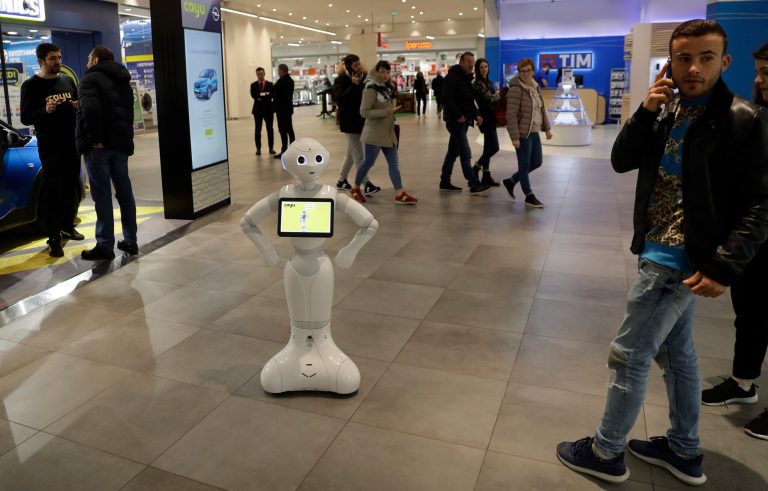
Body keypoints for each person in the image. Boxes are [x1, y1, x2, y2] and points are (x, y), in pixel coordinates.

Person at [557, 20, 768, 486]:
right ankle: (684, 449)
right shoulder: (667, 109)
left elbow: (760, 203)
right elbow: (620, 160)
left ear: (724, 61)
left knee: (628, 356)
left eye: (706, 58)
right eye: (684, 58)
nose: (693, 68)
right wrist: (643, 113)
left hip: (679, 262)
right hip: (654, 249)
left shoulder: (743, 118)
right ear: (669, 62)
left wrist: (724, 265)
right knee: (678, 357)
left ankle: (605, 451)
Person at [700, 42, 768, 442]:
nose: (759, 80)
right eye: (759, 71)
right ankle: (743, 381)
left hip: (757, 229)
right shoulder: (757, 117)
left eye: (766, 73)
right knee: (751, 309)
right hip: (753, 239)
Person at [20, 43, 84, 257]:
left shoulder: (66, 81)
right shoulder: (31, 86)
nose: (58, 61)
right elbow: (26, 117)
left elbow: (76, 103)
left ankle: (67, 226)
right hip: (50, 147)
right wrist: (44, 111)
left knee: (69, 190)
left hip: (71, 144)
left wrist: (76, 106)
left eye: (59, 57)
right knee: (53, 193)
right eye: (52, 59)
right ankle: (53, 238)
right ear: (40, 61)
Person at [76, 45, 138, 261]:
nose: (86, 63)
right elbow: (124, 111)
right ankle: (130, 240)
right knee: (124, 193)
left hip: (99, 148)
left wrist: (95, 139)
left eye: (88, 59)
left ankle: (105, 245)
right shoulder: (123, 80)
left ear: (95, 60)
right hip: (120, 145)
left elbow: (92, 110)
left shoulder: (90, 79)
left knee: (102, 196)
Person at [349, 60, 417, 205]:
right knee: (368, 162)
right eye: (382, 72)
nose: (385, 75)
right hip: (374, 134)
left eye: (387, 72)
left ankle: (399, 193)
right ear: (376, 72)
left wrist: (391, 114)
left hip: (388, 132)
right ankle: (355, 188)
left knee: (394, 164)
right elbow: (363, 112)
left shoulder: (388, 87)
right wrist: (385, 112)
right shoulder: (370, 88)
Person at [502, 58, 552, 208]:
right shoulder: (516, 89)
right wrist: (515, 137)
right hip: (523, 134)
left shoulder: (535, 86)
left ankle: (511, 181)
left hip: (535, 131)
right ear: (518, 72)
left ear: (533, 70)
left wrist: (547, 128)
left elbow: (541, 109)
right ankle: (529, 195)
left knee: (537, 162)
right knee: (524, 165)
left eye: (528, 70)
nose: (525, 74)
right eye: (522, 71)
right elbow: (510, 115)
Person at [439, 52, 490, 194]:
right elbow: (446, 98)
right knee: (465, 152)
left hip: (464, 120)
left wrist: (476, 114)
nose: (471, 64)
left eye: (472, 62)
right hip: (455, 121)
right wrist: (459, 115)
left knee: (452, 153)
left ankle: (444, 181)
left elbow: (468, 101)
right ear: (461, 62)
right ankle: (473, 183)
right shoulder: (452, 77)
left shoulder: (466, 78)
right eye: (468, 61)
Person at [331, 54, 380, 195]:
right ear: (347, 66)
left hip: (362, 121)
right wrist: (352, 85)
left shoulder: (364, 77)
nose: (358, 67)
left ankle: (341, 180)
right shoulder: (340, 80)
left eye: (359, 64)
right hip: (348, 123)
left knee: (351, 154)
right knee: (359, 155)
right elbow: (341, 100)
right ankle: (367, 184)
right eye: (355, 65)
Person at [472, 58, 501, 187]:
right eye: (481, 67)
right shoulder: (478, 83)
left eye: (486, 67)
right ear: (477, 70)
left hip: (491, 116)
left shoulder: (488, 82)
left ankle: (486, 175)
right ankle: (476, 167)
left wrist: (496, 95)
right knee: (494, 147)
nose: (484, 69)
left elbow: (493, 97)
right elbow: (489, 98)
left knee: (488, 146)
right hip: (485, 117)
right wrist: (499, 94)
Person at [250, 67, 275, 156]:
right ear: (256, 75)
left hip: (269, 110)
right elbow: (254, 95)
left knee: (270, 129)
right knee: (257, 130)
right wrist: (265, 94)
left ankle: (271, 148)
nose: (260, 75)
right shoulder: (253, 85)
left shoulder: (270, 84)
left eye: (261, 73)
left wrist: (261, 96)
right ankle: (258, 149)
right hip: (258, 111)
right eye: (258, 74)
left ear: (264, 74)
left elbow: (272, 94)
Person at [273, 64, 295, 159]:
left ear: (282, 70)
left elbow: (274, 90)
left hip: (281, 109)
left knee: (282, 130)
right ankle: (293, 149)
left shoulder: (281, 81)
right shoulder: (290, 80)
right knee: (289, 129)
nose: (278, 72)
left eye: (278, 70)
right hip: (288, 108)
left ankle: (284, 150)